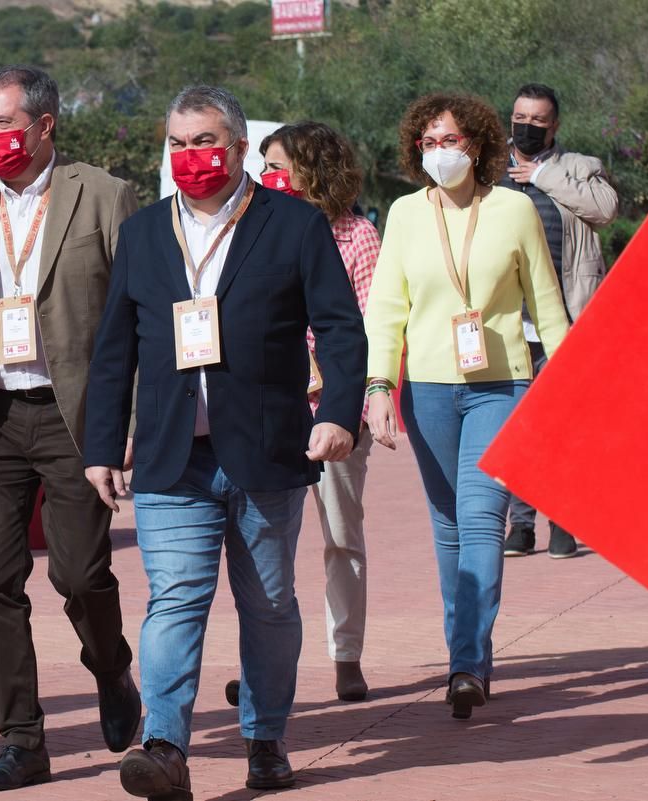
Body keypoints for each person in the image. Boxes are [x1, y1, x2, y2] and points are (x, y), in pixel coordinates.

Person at [84, 86, 367, 798]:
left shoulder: (293, 225)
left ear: (239, 146)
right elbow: (115, 346)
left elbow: (339, 326)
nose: (190, 157)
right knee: (175, 596)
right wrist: (100, 442)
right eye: (177, 143)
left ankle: (266, 734)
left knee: (268, 602)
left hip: (267, 450)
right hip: (171, 455)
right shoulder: (145, 232)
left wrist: (338, 411)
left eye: (205, 141)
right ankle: (165, 746)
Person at [0, 65, 141, 792]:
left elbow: (129, 319)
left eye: (4, 123)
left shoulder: (103, 196)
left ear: (45, 125)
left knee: (79, 573)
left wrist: (128, 427)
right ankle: (22, 739)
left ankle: (111, 669)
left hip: (72, 414)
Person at [364, 93, 570, 720]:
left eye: (449, 140)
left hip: (502, 384)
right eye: (427, 143)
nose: (439, 153)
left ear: (476, 145)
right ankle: (467, 654)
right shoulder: (402, 214)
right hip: (426, 389)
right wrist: (377, 388)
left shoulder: (513, 209)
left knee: (482, 517)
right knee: (448, 526)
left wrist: (565, 384)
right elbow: (387, 309)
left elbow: (546, 301)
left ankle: (467, 663)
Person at [221, 122, 380, 707]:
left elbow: (361, 329)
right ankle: (261, 662)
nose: (269, 177)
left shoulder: (357, 235)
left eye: (280, 165)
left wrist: (352, 411)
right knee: (261, 542)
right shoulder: (251, 228)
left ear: (315, 169)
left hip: (332, 414)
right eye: (265, 166)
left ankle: (347, 654)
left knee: (341, 535)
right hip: (268, 408)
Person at [500, 83, 618, 560]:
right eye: (519, 117)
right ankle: (522, 526)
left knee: (560, 425)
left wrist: (543, 175)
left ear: (555, 126)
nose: (526, 126)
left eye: (537, 121)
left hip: (566, 319)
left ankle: (562, 522)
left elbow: (605, 210)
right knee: (516, 425)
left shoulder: (579, 168)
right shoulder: (489, 172)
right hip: (507, 322)